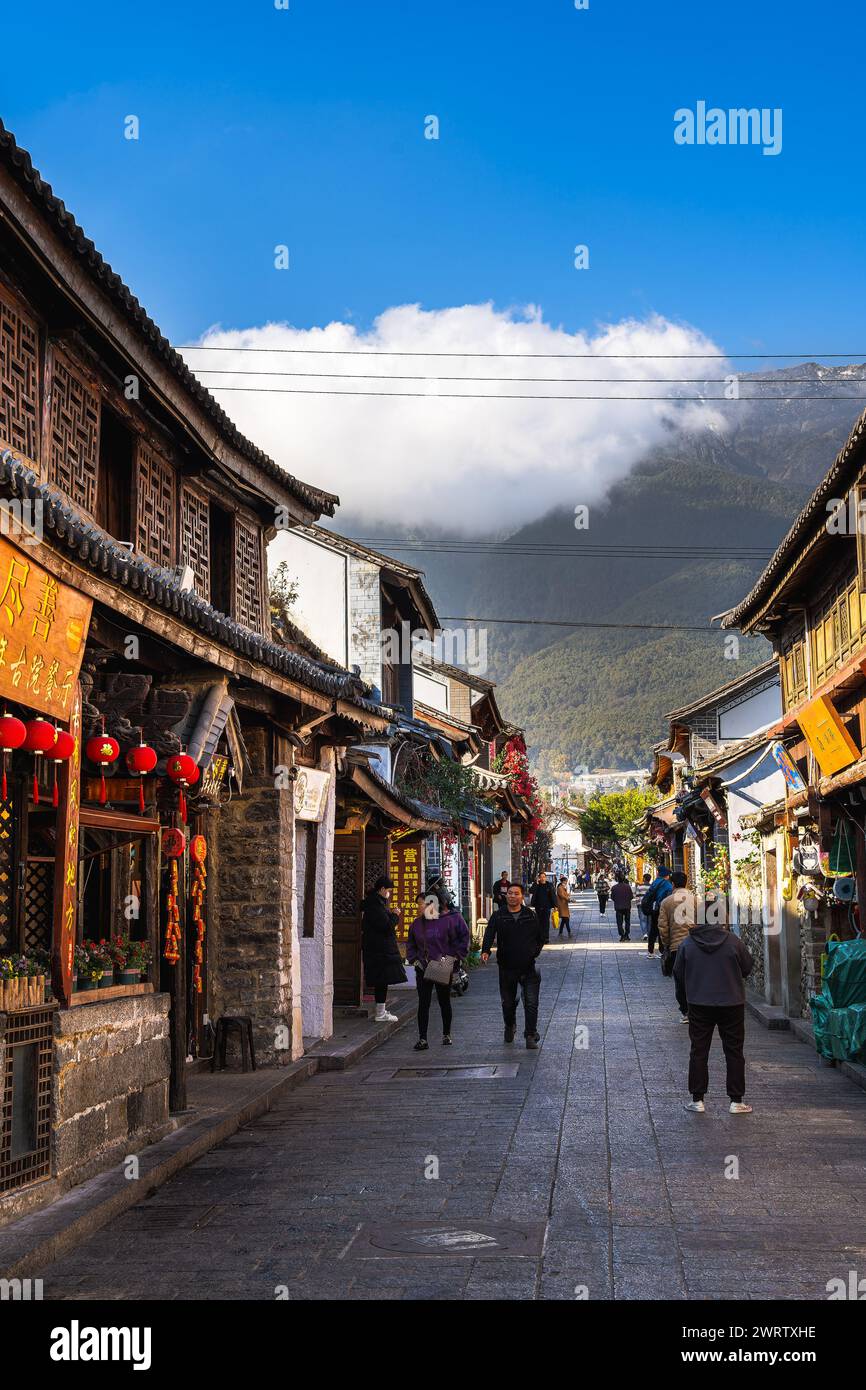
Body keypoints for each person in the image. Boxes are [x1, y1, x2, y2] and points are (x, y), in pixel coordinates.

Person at [674, 918, 754, 1114]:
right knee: (734, 1051)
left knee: (699, 1051)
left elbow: (678, 975)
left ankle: (697, 1099)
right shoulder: (733, 941)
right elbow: (747, 968)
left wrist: (684, 1005)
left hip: (699, 1003)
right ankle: (736, 1101)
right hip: (731, 1003)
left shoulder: (687, 944)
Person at [481, 882, 545, 1048]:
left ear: (521, 896)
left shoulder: (530, 915)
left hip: (528, 966)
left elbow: (540, 936)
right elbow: (489, 933)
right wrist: (486, 950)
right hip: (507, 966)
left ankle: (530, 1034)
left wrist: (534, 951)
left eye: (516, 893)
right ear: (506, 895)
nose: (512, 896)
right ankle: (510, 1025)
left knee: (531, 1002)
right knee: (507, 1003)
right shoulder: (499, 915)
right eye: (510, 893)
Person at [406, 892, 470, 1051]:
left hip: (442, 964)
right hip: (423, 966)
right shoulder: (416, 924)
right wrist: (415, 960)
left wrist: (455, 957)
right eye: (418, 904)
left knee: (443, 1001)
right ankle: (422, 1039)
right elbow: (411, 944)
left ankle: (446, 1034)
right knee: (424, 1003)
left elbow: (464, 937)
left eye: (421, 904)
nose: (419, 907)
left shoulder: (450, 919)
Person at [360, 875, 406, 1022]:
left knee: (383, 981)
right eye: (388, 890)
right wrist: (395, 915)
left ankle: (381, 1011)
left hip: (380, 949)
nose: (389, 893)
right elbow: (385, 926)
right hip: (379, 950)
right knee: (381, 980)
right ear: (382, 889)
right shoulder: (375, 905)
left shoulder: (378, 903)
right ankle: (380, 1013)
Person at [657, 870, 696, 1021]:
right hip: (696, 946)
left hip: (676, 947)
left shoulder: (667, 902)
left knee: (680, 980)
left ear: (672, 884)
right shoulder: (696, 900)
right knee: (695, 978)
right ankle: (696, 1008)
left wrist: (666, 945)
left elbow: (663, 927)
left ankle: (685, 1011)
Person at [642, 865, 673, 957]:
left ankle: (650, 951)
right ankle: (661, 950)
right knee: (662, 929)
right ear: (666, 875)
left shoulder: (656, 882)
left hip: (654, 908)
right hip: (662, 908)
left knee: (653, 930)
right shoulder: (667, 884)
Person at [529, 872, 557, 943]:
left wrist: (555, 906)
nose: (542, 878)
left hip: (547, 907)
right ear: (539, 878)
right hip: (538, 906)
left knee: (546, 922)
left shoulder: (549, 885)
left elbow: (553, 895)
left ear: (545, 877)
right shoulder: (536, 885)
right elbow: (530, 891)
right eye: (541, 877)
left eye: (544, 877)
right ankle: (540, 937)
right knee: (539, 922)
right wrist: (535, 884)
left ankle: (546, 938)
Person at [609, 871, 634, 941]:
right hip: (627, 906)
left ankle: (622, 935)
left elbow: (612, 898)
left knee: (619, 922)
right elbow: (631, 897)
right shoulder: (628, 887)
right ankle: (627, 934)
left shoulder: (614, 888)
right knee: (627, 921)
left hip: (618, 907)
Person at [634, 870, 653, 939]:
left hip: (642, 905)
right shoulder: (652, 887)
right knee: (650, 920)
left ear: (644, 879)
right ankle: (649, 933)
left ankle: (645, 934)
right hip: (650, 905)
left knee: (642, 919)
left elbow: (637, 896)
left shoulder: (640, 887)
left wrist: (638, 904)